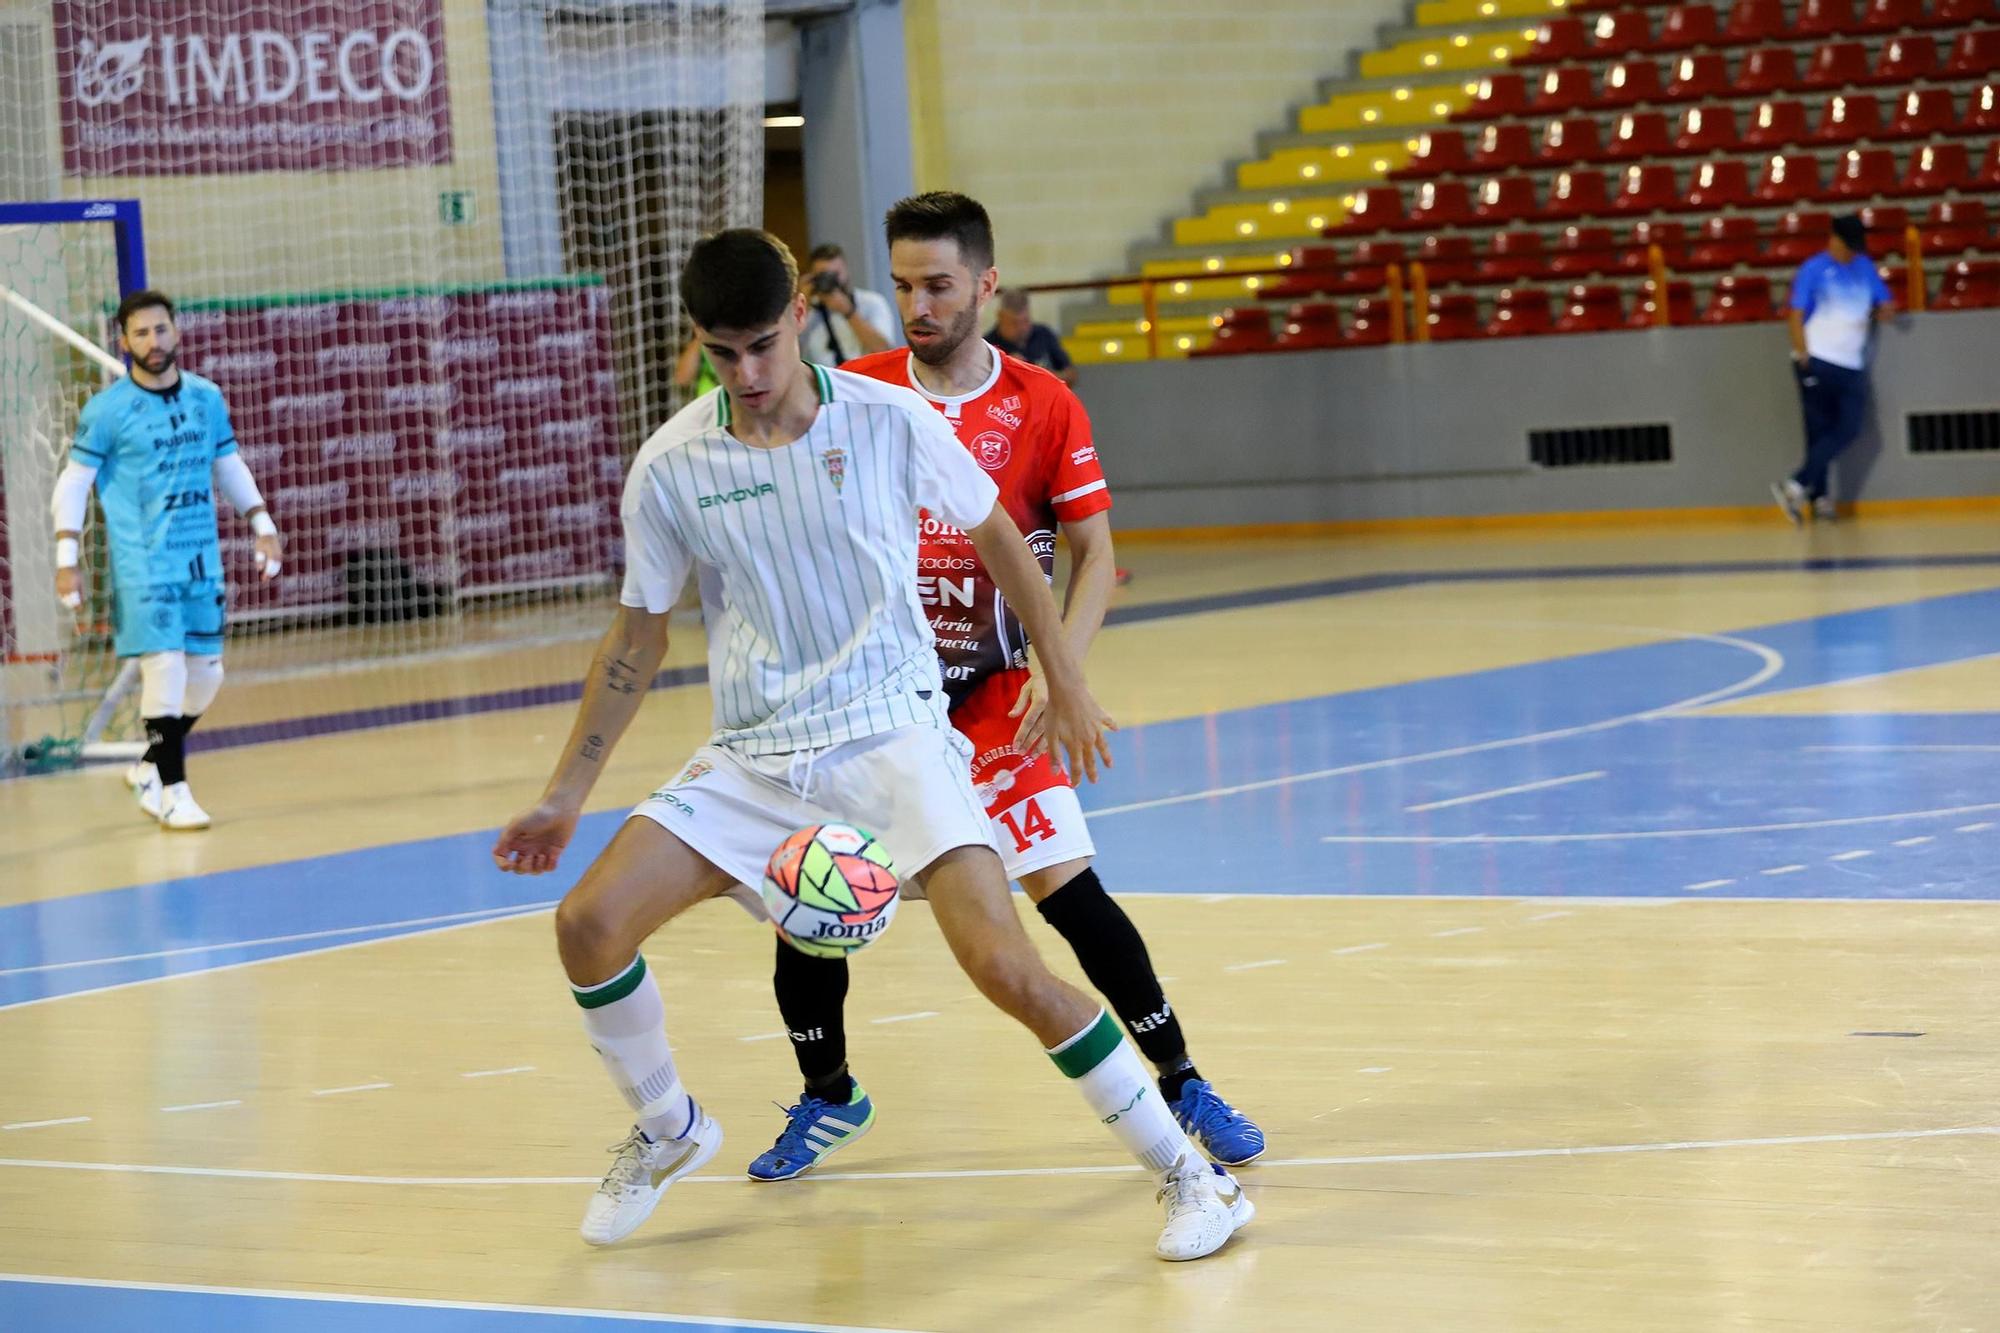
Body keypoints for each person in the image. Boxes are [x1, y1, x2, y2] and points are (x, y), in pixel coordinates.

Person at [491, 229, 1253, 1263]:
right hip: (755, 756)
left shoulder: (887, 418)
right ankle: (669, 1129)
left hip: (894, 733)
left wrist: (1062, 674)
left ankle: (1189, 1175)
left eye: (762, 344)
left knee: (1006, 967)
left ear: (797, 315)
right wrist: (563, 794)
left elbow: (998, 538)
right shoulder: (671, 466)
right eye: (722, 353)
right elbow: (635, 637)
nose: (746, 373)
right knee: (586, 923)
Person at [747, 192, 1263, 1188]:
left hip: (992, 696)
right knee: (812, 901)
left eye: (936, 284)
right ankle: (828, 1093)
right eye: (901, 286)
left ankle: (1180, 1079)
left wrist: (1059, 674)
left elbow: (1093, 548)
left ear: (984, 283)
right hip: (874, 703)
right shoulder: (854, 392)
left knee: (1068, 890)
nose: (917, 305)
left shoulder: (1039, 402)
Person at [49, 289, 283, 830]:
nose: (153, 342)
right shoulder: (108, 411)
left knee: (207, 674)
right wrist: (67, 555)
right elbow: (74, 483)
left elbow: (228, 464)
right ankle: (173, 791)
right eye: (140, 333)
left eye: (160, 330)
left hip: (200, 560)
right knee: (165, 667)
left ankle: (152, 763)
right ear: (124, 341)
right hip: (142, 564)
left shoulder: (205, 397)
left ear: (175, 332)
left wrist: (262, 524)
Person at [1772, 214, 1895, 526]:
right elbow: (1796, 314)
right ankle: (1820, 498)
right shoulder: (1814, 269)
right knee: (1819, 431)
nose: (1851, 252)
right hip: (1818, 359)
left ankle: (1795, 485)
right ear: (1834, 239)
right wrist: (1803, 354)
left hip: (1850, 363)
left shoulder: (1864, 267)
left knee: (1849, 427)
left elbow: (1885, 304)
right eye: (1847, 245)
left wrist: (1883, 310)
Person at [797, 242, 901, 367]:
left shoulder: (871, 303)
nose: (831, 281)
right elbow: (790, 356)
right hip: (823, 383)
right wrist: (802, 304)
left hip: (865, 380)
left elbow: (885, 351)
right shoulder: (808, 312)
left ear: (846, 270)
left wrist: (849, 312)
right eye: (823, 276)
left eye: (835, 274)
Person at [986, 287, 1076, 386]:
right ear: (1000, 317)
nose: (1022, 328)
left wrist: (1038, 374)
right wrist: (1006, 371)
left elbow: (1071, 375)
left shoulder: (1043, 334)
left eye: (1025, 321)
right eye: (1014, 323)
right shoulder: (988, 346)